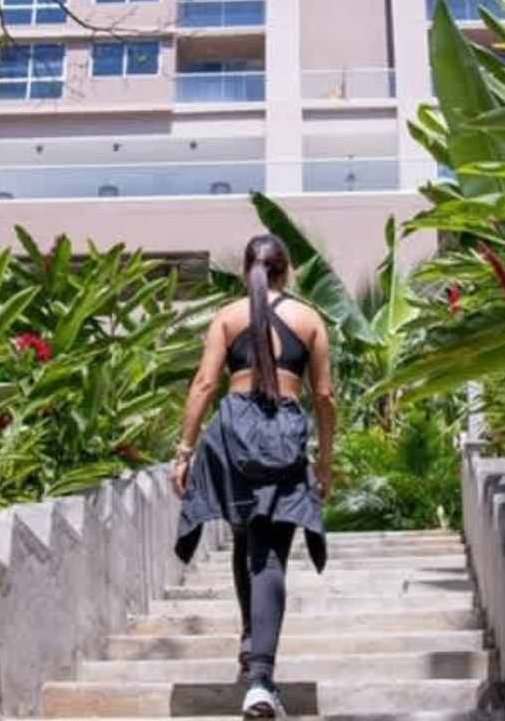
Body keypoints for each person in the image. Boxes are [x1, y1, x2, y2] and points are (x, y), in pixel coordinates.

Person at [172, 233, 336, 719]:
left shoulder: (228, 316)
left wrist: (184, 450)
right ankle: (260, 679)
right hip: (284, 436)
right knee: (269, 556)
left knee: (249, 540)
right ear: (285, 273)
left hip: (233, 434)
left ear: (248, 272)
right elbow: (324, 398)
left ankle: (252, 650)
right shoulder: (309, 320)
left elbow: (204, 383)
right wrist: (324, 462)